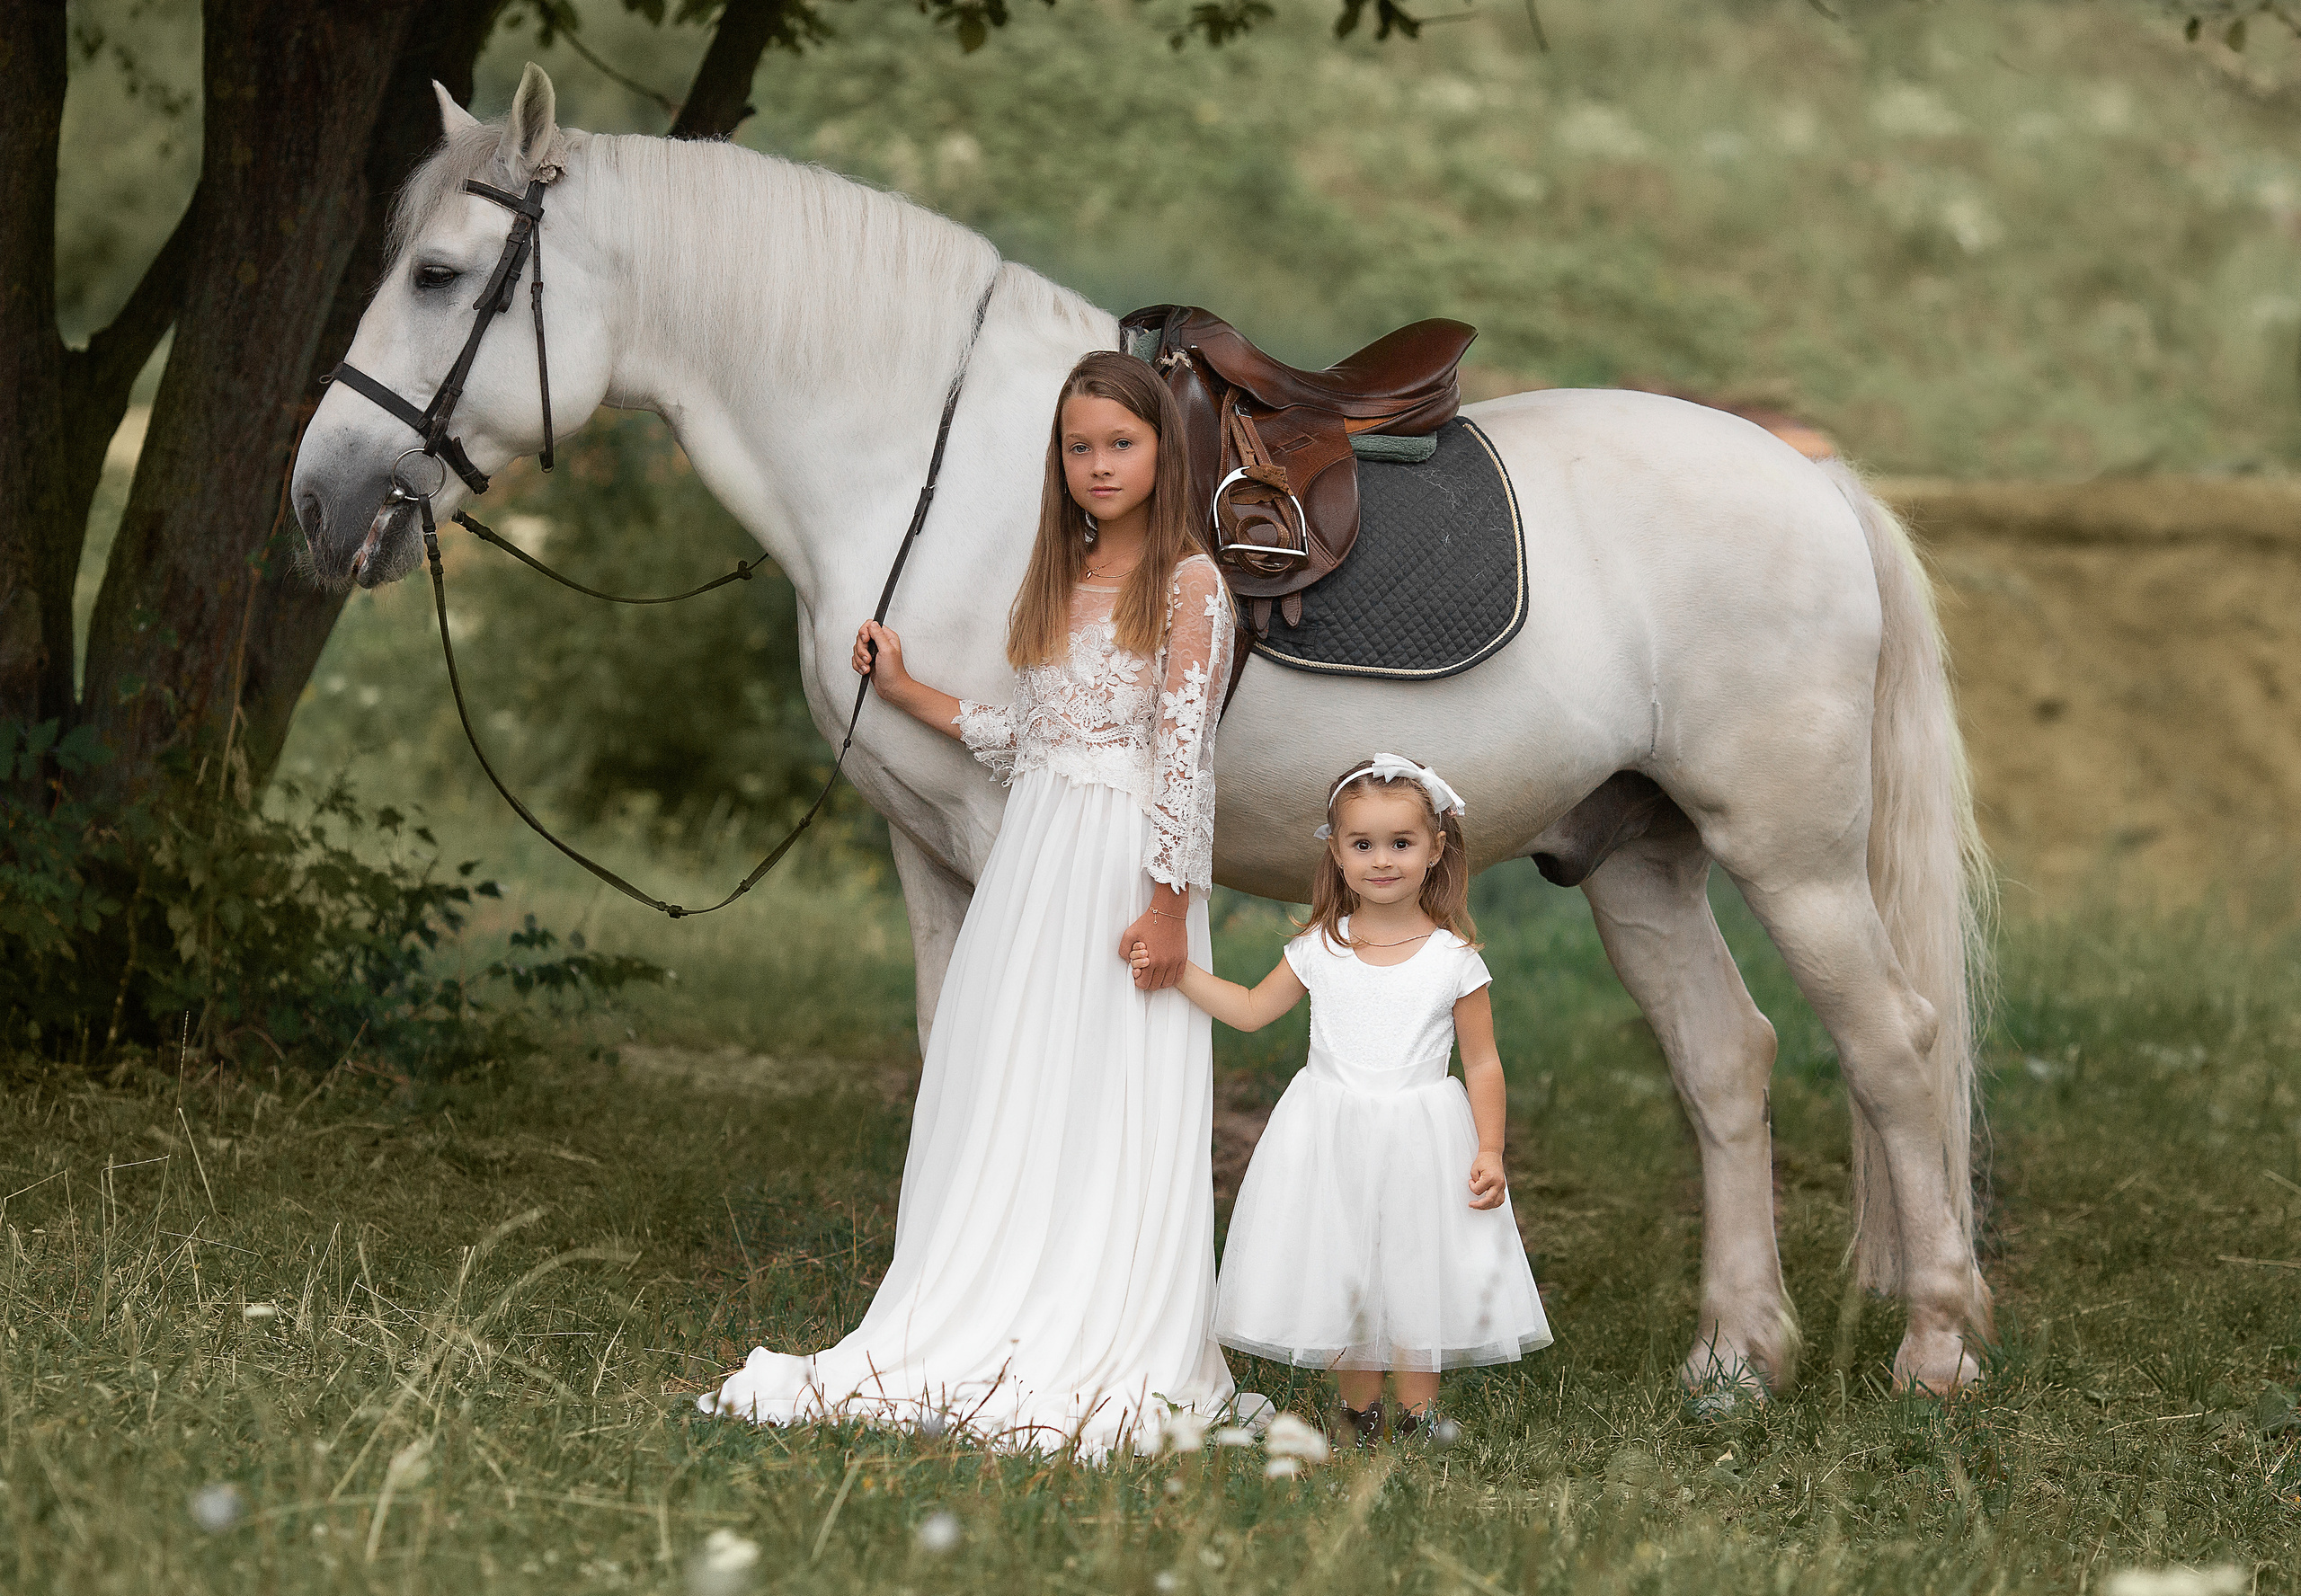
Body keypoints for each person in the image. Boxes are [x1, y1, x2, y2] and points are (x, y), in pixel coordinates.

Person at [701, 350, 1237, 1456]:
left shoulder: (1189, 585)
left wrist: (1171, 904)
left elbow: (1183, 756)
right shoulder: (1057, 576)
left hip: (1124, 859)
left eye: (1120, 445)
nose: (1098, 466)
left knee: (1110, 1083)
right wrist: (904, 692)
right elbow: (1030, 734)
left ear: (1159, 453)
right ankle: (986, 1288)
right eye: (1079, 447)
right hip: (1036, 857)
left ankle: (1103, 1311)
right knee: (1010, 1072)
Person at [1135, 753, 1550, 1444]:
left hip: (1423, 1138)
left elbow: (1482, 1063)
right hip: (1329, 1133)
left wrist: (1489, 1148)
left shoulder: (1453, 959)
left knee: (1417, 1273)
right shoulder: (1319, 948)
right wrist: (1177, 973)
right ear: (1336, 852)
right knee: (1343, 1268)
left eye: (1401, 843)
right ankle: (1360, 1412)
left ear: (1435, 849)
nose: (1382, 861)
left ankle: (1418, 1417)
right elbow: (1245, 1009)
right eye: (1363, 845)